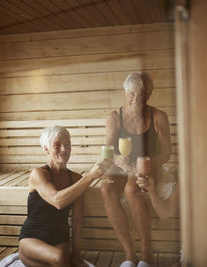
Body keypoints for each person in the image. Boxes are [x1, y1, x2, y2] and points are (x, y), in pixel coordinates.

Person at [101, 72, 172, 267]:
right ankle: (130, 254)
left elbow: (167, 153)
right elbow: (107, 152)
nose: (135, 98)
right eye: (131, 93)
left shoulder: (158, 116)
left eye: (140, 94)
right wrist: (117, 159)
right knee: (106, 189)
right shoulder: (115, 117)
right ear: (125, 93)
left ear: (148, 95)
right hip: (122, 167)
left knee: (132, 189)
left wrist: (147, 162)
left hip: (149, 166)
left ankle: (147, 254)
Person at [18, 126, 108, 267]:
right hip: (33, 237)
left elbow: (77, 221)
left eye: (67, 145)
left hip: (60, 238)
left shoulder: (76, 178)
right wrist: (90, 176)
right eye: (57, 145)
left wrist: (77, 255)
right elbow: (57, 200)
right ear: (46, 149)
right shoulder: (39, 174)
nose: (64, 150)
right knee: (59, 258)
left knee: (67, 261)